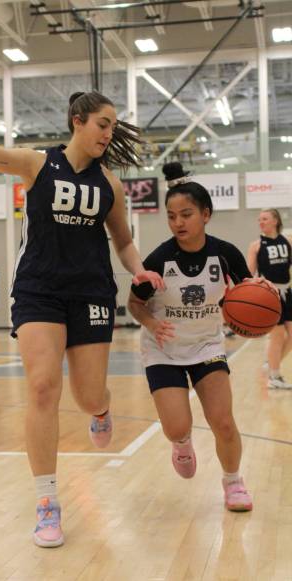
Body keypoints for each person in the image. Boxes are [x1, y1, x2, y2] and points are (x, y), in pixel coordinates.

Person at [0, 56, 163, 547]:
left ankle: (100, 410)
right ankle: (47, 501)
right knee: (42, 388)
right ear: (77, 122)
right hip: (39, 289)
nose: (108, 133)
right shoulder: (37, 163)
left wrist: (138, 267)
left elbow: (122, 241)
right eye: (102, 124)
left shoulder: (111, 185)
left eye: (113, 127)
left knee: (87, 396)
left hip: (91, 292)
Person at [128, 162, 261, 513]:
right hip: (163, 349)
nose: (178, 223)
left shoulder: (226, 254)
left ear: (206, 214)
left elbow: (247, 291)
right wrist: (151, 324)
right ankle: (181, 442)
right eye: (172, 216)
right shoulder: (158, 258)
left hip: (207, 345)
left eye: (186, 214)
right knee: (177, 426)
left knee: (224, 422)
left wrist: (260, 296)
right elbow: (133, 303)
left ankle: (233, 482)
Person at [247, 209, 292, 389]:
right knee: (278, 336)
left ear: (275, 221)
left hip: (287, 292)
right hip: (270, 295)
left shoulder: (288, 241)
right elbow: (248, 273)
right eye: (259, 219)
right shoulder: (256, 246)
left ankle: (272, 364)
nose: (261, 222)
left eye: (265, 219)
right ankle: (274, 376)